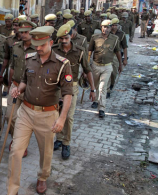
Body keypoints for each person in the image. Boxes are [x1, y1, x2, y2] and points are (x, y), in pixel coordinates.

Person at [7, 26, 73, 194]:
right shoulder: (29, 59)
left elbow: (67, 94)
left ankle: (42, 177)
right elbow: (24, 80)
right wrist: (18, 89)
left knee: (46, 153)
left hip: (48, 115)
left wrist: (62, 118)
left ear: (50, 42)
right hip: (26, 112)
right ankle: (12, 189)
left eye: (42, 45)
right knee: (15, 150)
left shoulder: (62, 64)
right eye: (36, 44)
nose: (38, 48)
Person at [52, 24, 96, 159]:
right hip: (56, 87)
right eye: (61, 39)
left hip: (72, 87)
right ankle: (58, 138)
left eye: (66, 38)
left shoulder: (80, 51)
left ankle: (66, 142)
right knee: (56, 114)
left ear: (71, 36)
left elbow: (87, 70)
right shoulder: (54, 50)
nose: (64, 41)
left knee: (68, 116)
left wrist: (93, 89)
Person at [5, 20, 37, 158]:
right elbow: (12, 66)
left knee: (25, 120)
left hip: (30, 88)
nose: (23, 34)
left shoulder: (38, 48)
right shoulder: (16, 47)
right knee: (10, 116)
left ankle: (21, 144)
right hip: (15, 86)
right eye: (21, 32)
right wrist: (9, 84)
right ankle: (16, 139)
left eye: (26, 32)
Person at [89, 20, 123, 118]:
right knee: (95, 85)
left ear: (111, 27)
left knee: (102, 87)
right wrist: (87, 64)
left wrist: (120, 64)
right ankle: (95, 101)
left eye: (107, 27)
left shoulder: (115, 39)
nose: (105, 29)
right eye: (104, 27)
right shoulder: (94, 38)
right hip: (95, 65)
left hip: (107, 66)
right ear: (101, 27)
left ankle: (102, 108)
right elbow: (90, 51)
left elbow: (117, 52)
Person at [0, 17, 24, 93]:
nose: (14, 27)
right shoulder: (9, 40)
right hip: (11, 71)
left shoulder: (27, 40)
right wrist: (1, 74)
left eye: (17, 25)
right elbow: (6, 58)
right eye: (14, 25)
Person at [107, 18, 128, 99]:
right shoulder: (108, 33)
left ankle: (112, 84)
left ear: (118, 25)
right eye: (112, 25)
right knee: (108, 72)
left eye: (115, 25)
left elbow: (125, 47)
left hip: (117, 55)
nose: (114, 27)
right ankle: (107, 90)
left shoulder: (121, 34)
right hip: (108, 54)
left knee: (114, 72)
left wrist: (125, 59)